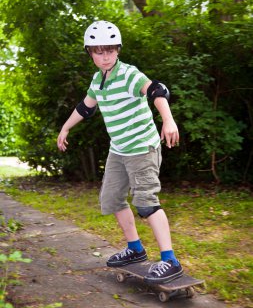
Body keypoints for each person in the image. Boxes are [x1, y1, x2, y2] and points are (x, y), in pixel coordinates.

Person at [57, 20, 183, 284]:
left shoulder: (128, 74)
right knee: (112, 199)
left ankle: (170, 260)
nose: (106, 57)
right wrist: (65, 128)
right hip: (119, 149)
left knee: (146, 203)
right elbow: (86, 107)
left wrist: (168, 120)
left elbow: (156, 90)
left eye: (111, 51)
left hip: (142, 148)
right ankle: (135, 249)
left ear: (118, 50)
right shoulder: (97, 79)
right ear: (90, 52)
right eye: (99, 51)